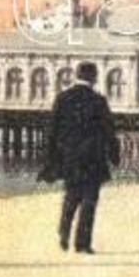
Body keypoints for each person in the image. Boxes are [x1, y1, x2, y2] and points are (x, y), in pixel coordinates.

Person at [40, 61, 120, 255]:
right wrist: (114, 155)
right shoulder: (99, 101)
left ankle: (64, 231)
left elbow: (52, 132)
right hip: (93, 159)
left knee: (72, 196)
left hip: (70, 158)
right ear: (94, 78)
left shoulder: (62, 98)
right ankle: (82, 244)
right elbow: (109, 131)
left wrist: (51, 159)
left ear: (76, 75)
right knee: (89, 201)